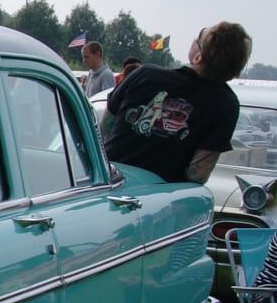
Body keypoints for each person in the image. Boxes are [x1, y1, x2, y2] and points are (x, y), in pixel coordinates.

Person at [104, 22, 251, 184]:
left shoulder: (145, 74)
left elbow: (102, 130)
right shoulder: (225, 104)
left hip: (108, 183)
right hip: (162, 197)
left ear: (198, 57)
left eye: (198, 37)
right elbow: (197, 174)